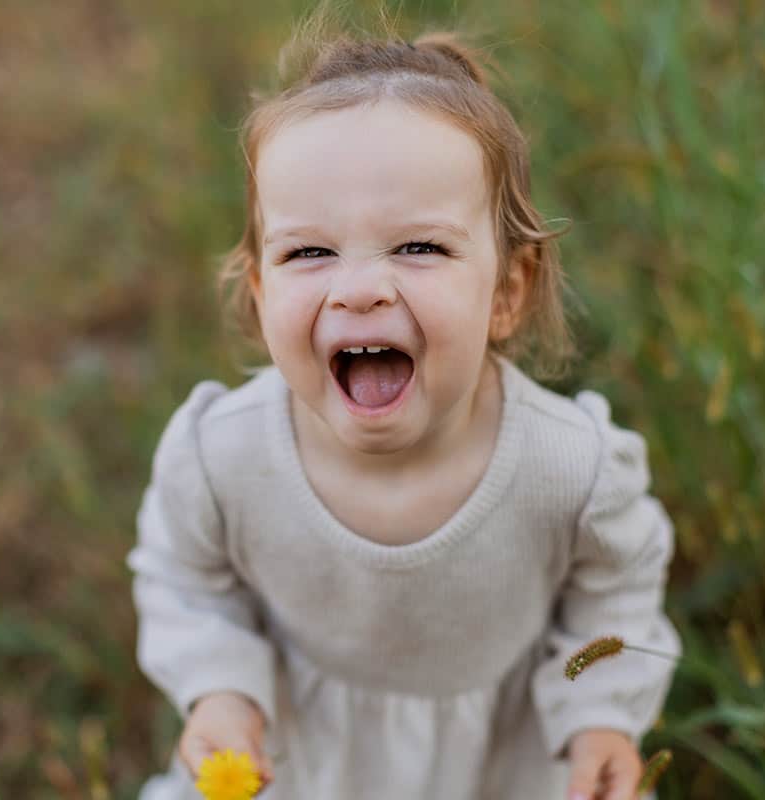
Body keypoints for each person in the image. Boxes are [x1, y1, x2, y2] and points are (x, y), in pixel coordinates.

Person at [127, 11, 681, 800]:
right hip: (303, 760)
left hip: (501, 764)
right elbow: (185, 581)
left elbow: (616, 596)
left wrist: (598, 714)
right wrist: (222, 690)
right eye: (308, 252)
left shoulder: (569, 467)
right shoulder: (225, 456)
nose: (359, 289)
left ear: (507, 292)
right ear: (258, 290)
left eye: (419, 247)